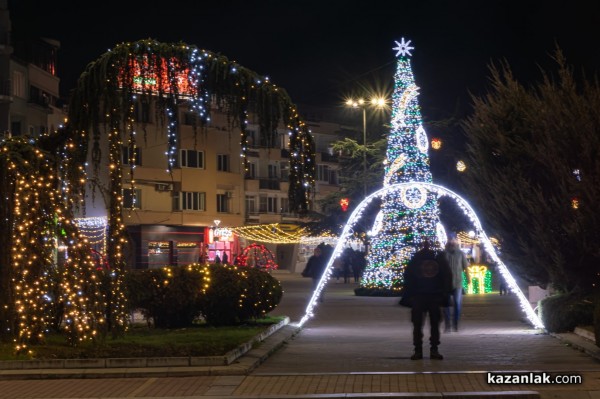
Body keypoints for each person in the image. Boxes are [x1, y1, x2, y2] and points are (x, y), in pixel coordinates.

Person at [401, 240, 451, 360]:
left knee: (426, 325)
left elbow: (446, 277)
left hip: (429, 296)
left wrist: (443, 293)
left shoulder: (421, 259)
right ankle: (424, 349)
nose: (427, 246)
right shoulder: (430, 259)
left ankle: (427, 349)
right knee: (423, 325)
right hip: (423, 296)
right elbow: (447, 276)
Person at [441, 233, 469, 332]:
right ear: (447, 241)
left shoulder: (461, 253)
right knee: (446, 305)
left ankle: (455, 324)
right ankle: (448, 325)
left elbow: (465, 267)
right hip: (445, 283)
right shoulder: (444, 253)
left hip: (457, 283)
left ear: (456, 241)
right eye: (450, 240)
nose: (451, 241)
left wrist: (468, 279)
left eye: (453, 240)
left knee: (457, 304)